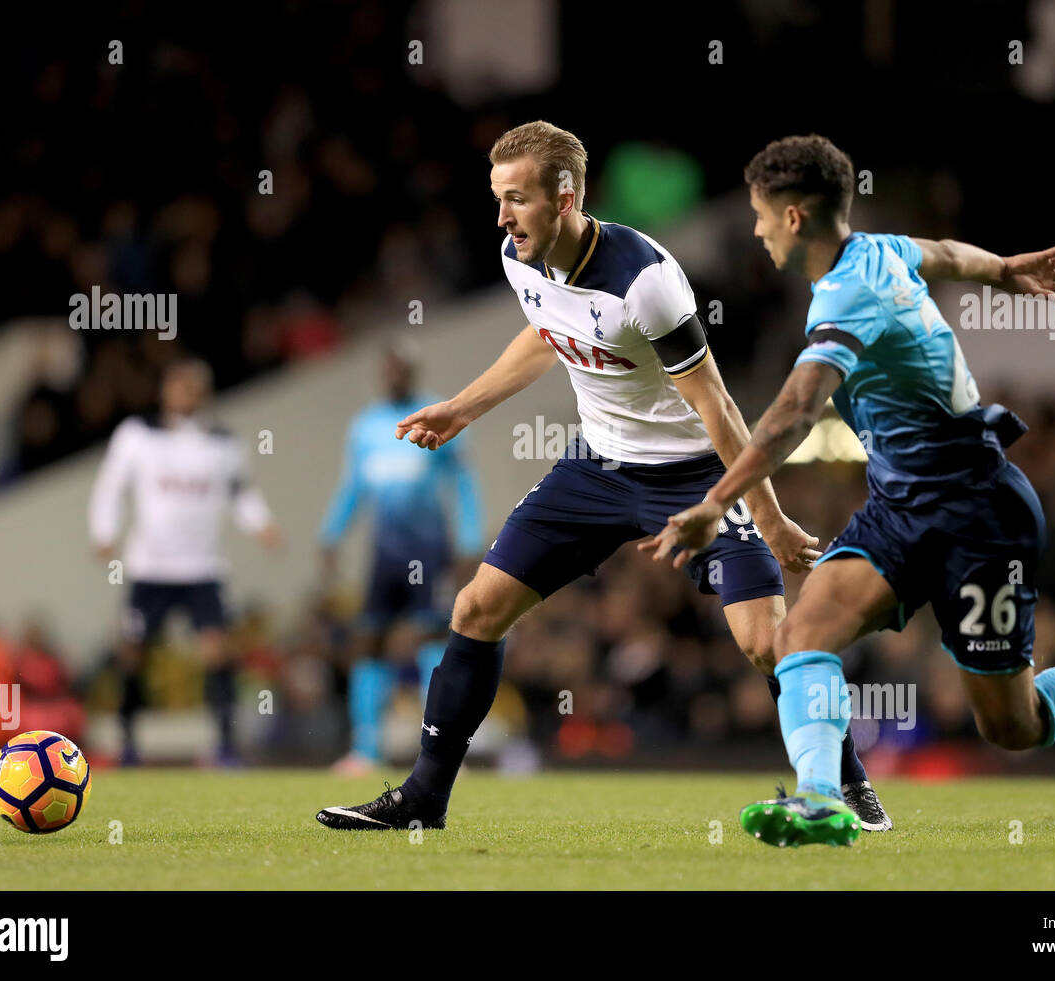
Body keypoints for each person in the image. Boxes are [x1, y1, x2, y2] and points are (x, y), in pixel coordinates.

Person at [317, 121, 889, 832]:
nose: (501, 216)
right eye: (497, 198)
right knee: (474, 610)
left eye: (516, 199)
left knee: (763, 642)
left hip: (692, 474)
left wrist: (767, 518)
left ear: (565, 199)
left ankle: (851, 784)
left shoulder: (645, 281)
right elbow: (545, 332)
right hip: (594, 468)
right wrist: (463, 408)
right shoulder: (518, 256)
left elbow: (716, 403)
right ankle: (423, 798)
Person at [643, 134, 1055, 847]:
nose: (755, 229)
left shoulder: (846, 295)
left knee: (1013, 724)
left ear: (796, 218)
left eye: (760, 214)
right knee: (798, 636)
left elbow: (798, 410)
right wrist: (1001, 268)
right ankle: (819, 796)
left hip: (979, 514)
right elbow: (945, 253)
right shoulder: (875, 249)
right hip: (901, 509)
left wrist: (717, 501)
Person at [88, 358, 282, 765]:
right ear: (165, 390)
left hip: (203, 568)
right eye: (179, 385)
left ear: (205, 392)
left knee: (217, 652)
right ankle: (128, 743)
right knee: (132, 652)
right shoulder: (138, 435)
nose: (186, 393)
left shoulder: (224, 442)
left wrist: (262, 525)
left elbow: (240, 492)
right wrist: (103, 531)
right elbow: (111, 484)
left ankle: (225, 746)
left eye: (194, 387)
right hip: (150, 568)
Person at [319, 340, 485, 775]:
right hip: (385, 553)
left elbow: (463, 482)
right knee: (368, 642)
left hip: (430, 551)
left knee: (432, 642)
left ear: (413, 371)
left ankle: (443, 750)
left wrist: (470, 541)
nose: (393, 375)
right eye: (387, 368)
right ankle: (366, 749)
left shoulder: (436, 415)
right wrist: (330, 535)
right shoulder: (366, 426)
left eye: (400, 368)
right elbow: (353, 486)